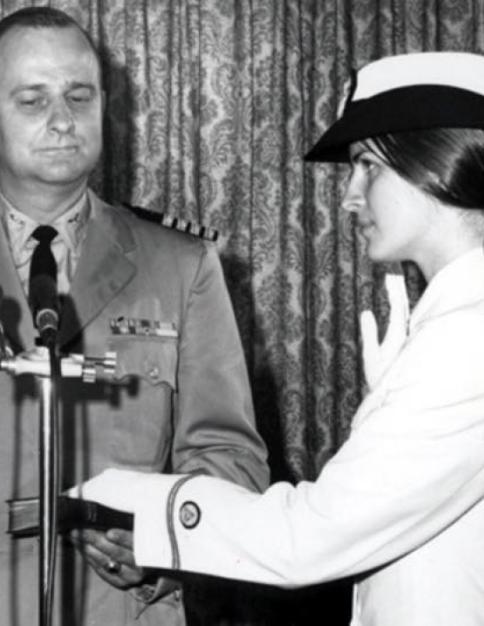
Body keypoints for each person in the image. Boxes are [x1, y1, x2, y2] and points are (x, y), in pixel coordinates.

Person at [0, 6, 269, 625]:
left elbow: (227, 456)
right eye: (32, 100)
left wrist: (164, 549)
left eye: (79, 96)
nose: (62, 120)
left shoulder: (181, 265)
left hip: (119, 607)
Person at [71, 51, 484, 626]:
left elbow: (307, 539)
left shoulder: (466, 335)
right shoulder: (453, 322)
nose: (349, 196)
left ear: (433, 161)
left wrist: (135, 496)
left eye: (368, 165)